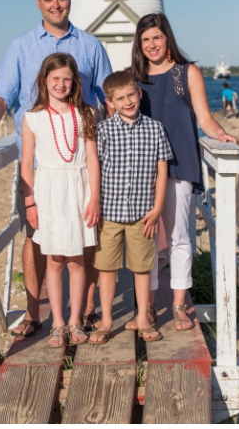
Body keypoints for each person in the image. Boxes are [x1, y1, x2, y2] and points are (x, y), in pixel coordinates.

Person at [0, 0, 112, 338]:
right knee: (35, 236)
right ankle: (35, 313)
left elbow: (109, 97)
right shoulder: (20, 47)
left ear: (69, 0)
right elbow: (1, 96)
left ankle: (86, 309)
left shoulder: (91, 45)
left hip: (83, 160)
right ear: (38, 2)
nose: (55, 5)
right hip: (40, 167)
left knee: (86, 236)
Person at [132, 13, 238, 332]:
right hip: (142, 170)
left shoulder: (186, 72)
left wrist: (220, 134)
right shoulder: (133, 77)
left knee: (179, 236)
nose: (151, 44)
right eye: (145, 39)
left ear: (168, 40)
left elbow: (204, 117)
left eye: (157, 38)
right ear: (139, 44)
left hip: (178, 165)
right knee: (145, 239)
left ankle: (179, 303)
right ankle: (147, 306)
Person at [20, 53, 101, 346]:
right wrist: (30, 202)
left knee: (77, 259)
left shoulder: (87, 113)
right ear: (45, 80)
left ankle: (75, 321)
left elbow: (92, 158)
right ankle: (57, 322)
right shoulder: (33, 118)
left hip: (80, 190)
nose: (61, 84)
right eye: (55, 78)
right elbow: (26, 164)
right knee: (54, 260)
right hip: (48, 192)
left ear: (74, 82)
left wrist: (95, 199)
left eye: (67, 78)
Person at [88, 72, 172, 345]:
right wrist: (96, 204)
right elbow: (95, 171)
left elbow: (162, 172)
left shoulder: (155, 129)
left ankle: (144, 318)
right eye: (120, 98)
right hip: (109, 213)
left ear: (138, 93)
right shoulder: (102, 131)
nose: (128, 101)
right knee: (107, 268)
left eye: (131, 95)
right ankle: (108, 320)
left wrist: (157, 207)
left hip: (143, 214)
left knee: (141, 267)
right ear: (110, 102)